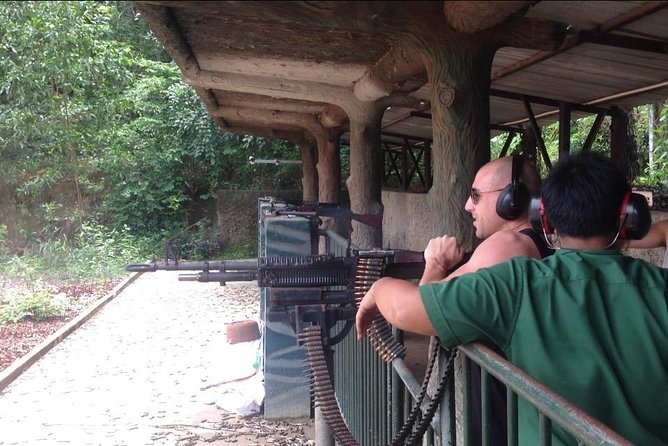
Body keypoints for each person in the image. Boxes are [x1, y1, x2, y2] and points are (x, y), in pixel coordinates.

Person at [357, 152, 668, 446]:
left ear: (543, 217)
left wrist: (378, 288)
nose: (469, 205)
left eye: (476, 195)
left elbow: (408, 309)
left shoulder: (518, 284)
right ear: (629, 215)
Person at [419, 154, 552, 446]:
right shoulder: (536, 241)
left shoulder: (507, 245)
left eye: (476, 196)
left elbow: (426, 311)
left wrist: (435, 263)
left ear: (511, 199)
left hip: (503, 415)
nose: (468, 205)